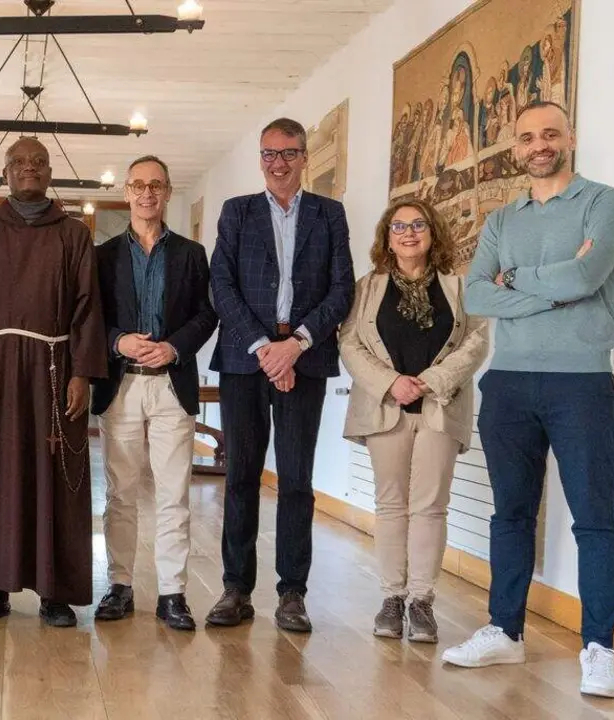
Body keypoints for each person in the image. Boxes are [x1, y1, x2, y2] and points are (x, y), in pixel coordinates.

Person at [445, 101, 614, 699]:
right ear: (516, 148)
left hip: (581, 383)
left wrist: (517, 279)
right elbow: (477, 296)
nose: (539, 144)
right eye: (527, 137)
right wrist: (553, 284)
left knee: (596, 519)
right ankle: (504, 631)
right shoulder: (502, 221)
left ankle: (599, 648)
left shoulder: (606, 202)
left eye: (550, 133)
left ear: (569, 137)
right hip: (507, 383)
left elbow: (586, 279)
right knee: (510, 515)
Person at [0, 137, 106, 628]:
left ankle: (55, 591)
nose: (29, 169)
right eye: (19, 163)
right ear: (5, 173)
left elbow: (88, 306)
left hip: (55, 371)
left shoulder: (73, 234)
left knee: (57, 480)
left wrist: (81, 372)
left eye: (38, 162)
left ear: (50, 172)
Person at [207, 117, 355, 631]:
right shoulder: (237, 212)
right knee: (241, 476)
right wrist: (265, 348)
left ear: (305, 156)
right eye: (269, 153)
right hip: (244, 362)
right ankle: (235, 589)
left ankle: (292, 593)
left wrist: (295, 346)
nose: (278, 163)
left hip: (306, 357)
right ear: (261, 158)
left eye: (288, 153)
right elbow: (220, 284)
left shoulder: (329, 214)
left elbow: (342, 289)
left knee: (296, 480)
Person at [339, 200, 488, 643]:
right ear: (387, 236)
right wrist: (391, 383)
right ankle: (391, 598)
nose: (408, 233)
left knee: (430, 506)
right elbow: (350, 343)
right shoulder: (367, 288)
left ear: (432, 232)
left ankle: (421, 602)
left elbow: (476, 341)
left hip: (441, 406)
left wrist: (428, 381)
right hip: (386, 409)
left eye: (417, 224)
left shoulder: (460, 285)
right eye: (398, 226)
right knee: (390, 506)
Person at [91, 155, 217, 631]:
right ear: (126, 192)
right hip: (119, 386)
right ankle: (120, 585)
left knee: (173, 494)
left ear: (167, 192)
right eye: (139, 185)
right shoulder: (100, 256)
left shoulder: (190, 254)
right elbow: (90, 318)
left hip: (171, 387)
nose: (147, 194)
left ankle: (172, 594)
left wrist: (174, 348)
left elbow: (206, 316)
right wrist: (117, 340)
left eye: (156, 186)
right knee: (120, 495)